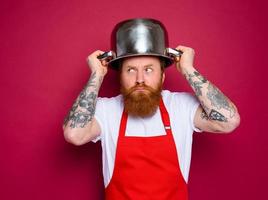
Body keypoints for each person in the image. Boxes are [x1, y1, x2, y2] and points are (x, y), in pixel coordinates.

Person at [62, 19, 240, 199]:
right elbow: (74, 135)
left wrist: (187, 68)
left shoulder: (181, 107)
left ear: (162, 76)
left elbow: (229, 121)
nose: (140, 79)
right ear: (120, 77)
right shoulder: (106, 110)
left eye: (148, 70)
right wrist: (97, 74)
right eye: (131, 70)